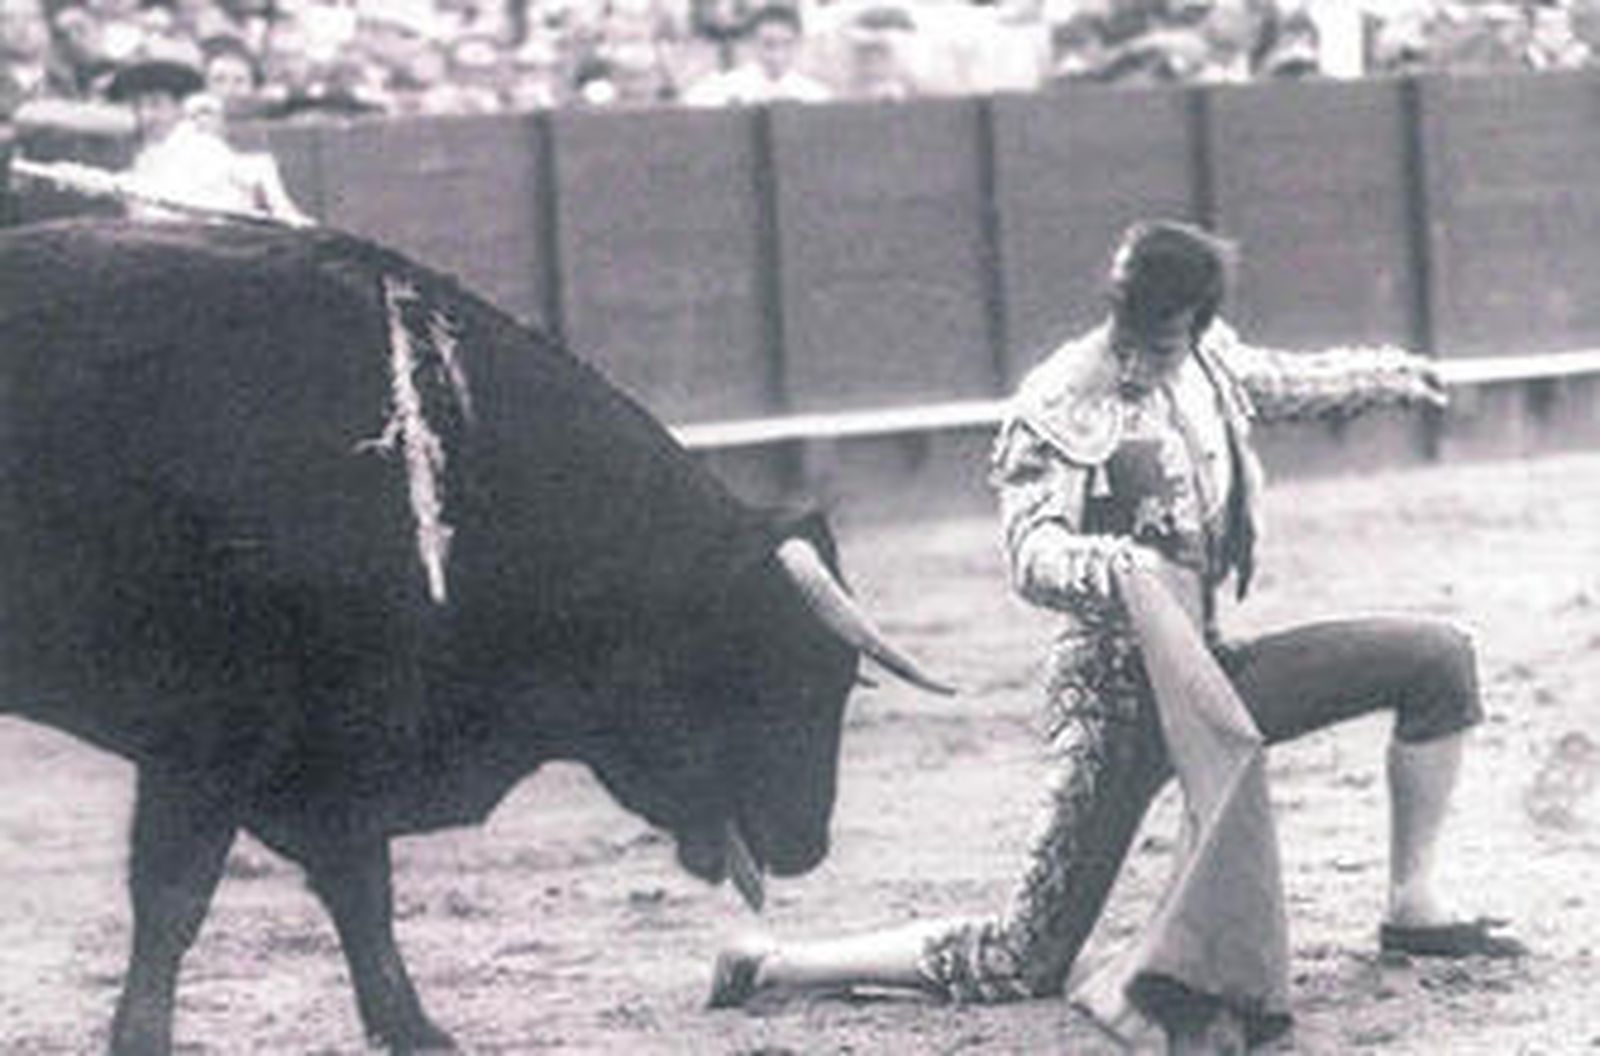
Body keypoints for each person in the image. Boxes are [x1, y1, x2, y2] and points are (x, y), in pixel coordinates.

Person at [707, 220, 1525, 1051]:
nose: (1141, 352)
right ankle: (774, 965)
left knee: (1438, 659)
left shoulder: (1207, 360)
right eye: (1136, 327)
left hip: (1212, 676)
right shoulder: (1062, 395)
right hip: (1116, 703)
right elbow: (1028, 553)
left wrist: (1389, 374)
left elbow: (1276, 381)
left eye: (1166, 333)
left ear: (1199, 321)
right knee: (1025, 957)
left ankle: (1413, 906)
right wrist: (1112, 563)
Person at [106, 57, 311, 224]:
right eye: (138, 106)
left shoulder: (204, 150)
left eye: (156, 105)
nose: (145, 116)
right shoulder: (144, 155)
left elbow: (216, 220)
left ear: (179, 108)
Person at [682, 3, 830, 106]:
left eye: (787, 44)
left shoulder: (814, 94)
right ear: (751, 44)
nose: (777, 56)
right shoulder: (721, 88)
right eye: (768, 44)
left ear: (798, 45)